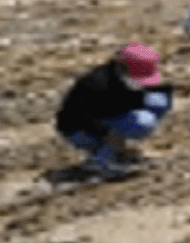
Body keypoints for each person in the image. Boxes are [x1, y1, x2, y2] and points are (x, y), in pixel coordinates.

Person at [54, 44, 174, 177]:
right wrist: (111, 137)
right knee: (143, 122)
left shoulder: (121, 78)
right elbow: (84, 117)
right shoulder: (99, 84)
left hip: (110, 114)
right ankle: (102, 160)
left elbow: (142, 94)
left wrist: (168, 88)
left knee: (159, 100)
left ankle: (117, 151)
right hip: (79, 129)